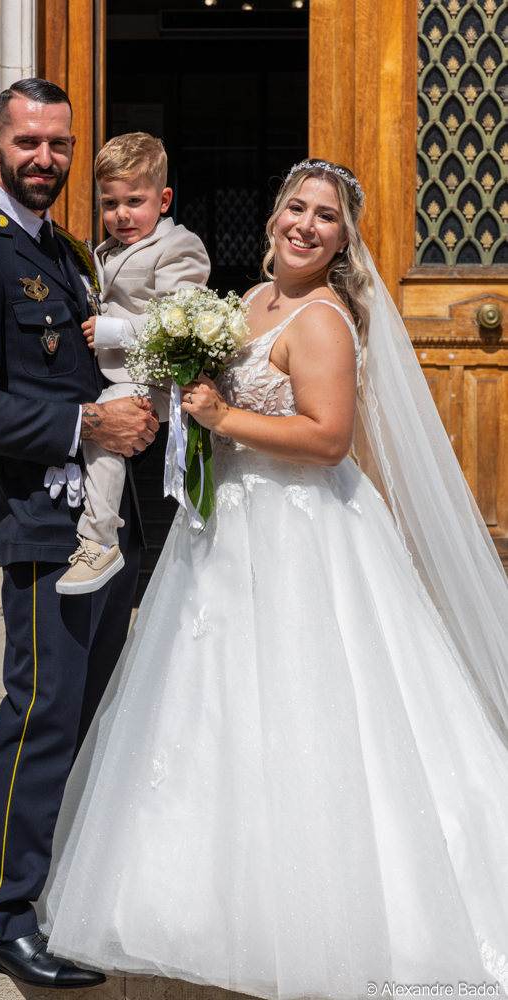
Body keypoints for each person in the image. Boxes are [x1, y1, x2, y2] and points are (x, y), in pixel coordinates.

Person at [40, 160, 508, 998]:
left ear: (344, 240)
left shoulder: (323, 319)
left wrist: (223, 415)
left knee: (304, 707)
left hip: (300, 534)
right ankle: (203, 911)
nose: (305, 225)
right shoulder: (250, 301)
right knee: (211, 708)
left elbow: (327, 439)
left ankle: (324, 916)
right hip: (225, 532)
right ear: (272, 216)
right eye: (296, 207)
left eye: (326, 217)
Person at [0, 78, 158, 989]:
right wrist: (85, 425)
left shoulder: (60, 248)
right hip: (42, 525)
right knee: (42, 718)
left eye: (59, 144)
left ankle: (58, 900)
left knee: (87, 718)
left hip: (108, 524)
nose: (45, 159)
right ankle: (2, 918)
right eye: (28, 142)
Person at [54, 132, 210, 596]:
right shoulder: (105, 250)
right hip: (112, 375)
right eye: (110, 203)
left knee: (104, 429)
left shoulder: (179, 245)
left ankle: (99, 539)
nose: (121, 214)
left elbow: (182, 323)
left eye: (134, 202)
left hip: (153, 380)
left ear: (164, 200)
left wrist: (112, 331)